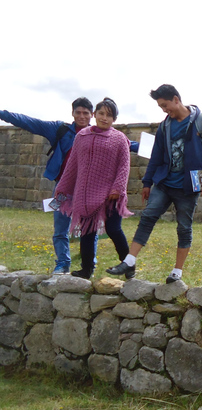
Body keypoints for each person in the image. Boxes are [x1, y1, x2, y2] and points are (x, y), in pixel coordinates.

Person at [107, 84, 202, 283]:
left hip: (188, 186)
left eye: (165, 105)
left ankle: (177, 272)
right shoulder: (165, 126)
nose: (164, 109)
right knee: (148, 217)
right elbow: (156, 156)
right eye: (161, 107)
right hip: (164, 182)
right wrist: (147, 182)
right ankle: (130, 260)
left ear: (176, 99)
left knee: (184, 227)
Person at [0, 98, 97, 274]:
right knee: (60, 229)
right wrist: (3, 114)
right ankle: (62, 263)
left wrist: (155, 148)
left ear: (92, 115)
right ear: (72, 113)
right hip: (63, 188)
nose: (82, 116)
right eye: (78, 112)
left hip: (88, 189)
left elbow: (125, 144)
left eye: (86, 113)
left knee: (89, 230)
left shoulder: (99, 134)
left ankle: (89, 264)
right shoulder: (60, 130)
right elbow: (28, 122)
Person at [53, 98, 133, 279]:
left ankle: (128, 264)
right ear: (95, 115)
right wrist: (63, 187)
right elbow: (73, 164)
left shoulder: (120, 139)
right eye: (102, 114)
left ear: (114, 119)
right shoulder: (81, 137)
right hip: (86, 192)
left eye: (109, 115)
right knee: (87, 231)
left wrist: (118, 188)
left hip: (111, 194)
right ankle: (86, 269)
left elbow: (124, 166)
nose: (105, 118)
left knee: (113, 229)